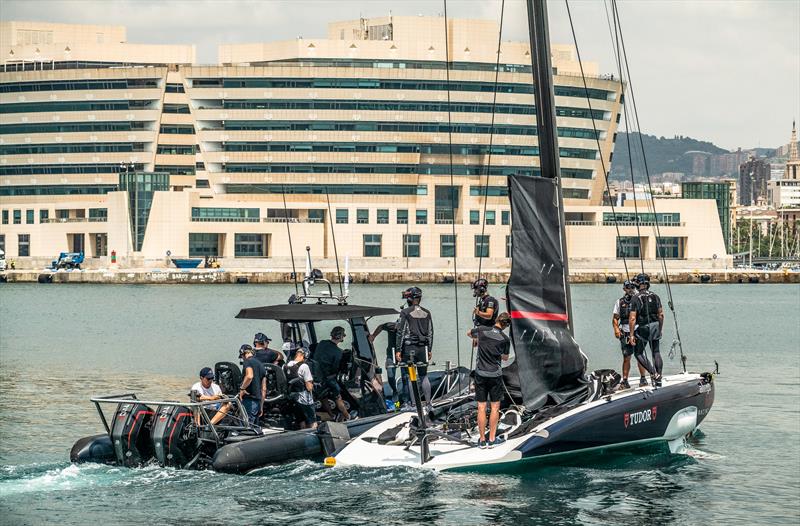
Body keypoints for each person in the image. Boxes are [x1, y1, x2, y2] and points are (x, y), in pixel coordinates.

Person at [467, 312, 511, 449]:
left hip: (480, 373)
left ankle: (481, 440)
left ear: (497, 320)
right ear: (506, 325)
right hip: (495, 375)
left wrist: (478, 340)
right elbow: (505, 358)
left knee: (481, 407)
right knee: (495, 407)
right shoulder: (504, 338)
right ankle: (491, 439)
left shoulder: (482, 331)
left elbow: (469, 333)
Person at [396, 286, 434, 410]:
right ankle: (428, 404)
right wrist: (429, 349)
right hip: (423, 348)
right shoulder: (427, 312)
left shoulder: (405, 312)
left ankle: (413, 405)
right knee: (423, 375)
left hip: (409, 348)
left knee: (410, 375)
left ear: (410, 299)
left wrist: (398, 350)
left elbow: (400, 332)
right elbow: (430, 333)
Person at [628, 273, 664, 387]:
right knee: (656, 352)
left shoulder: (635, 298)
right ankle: (659, 376)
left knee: (638, 353)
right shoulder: (655, 296)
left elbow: (632, 318)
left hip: (644, 327)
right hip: (655, 325)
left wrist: (632, 335)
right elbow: (661, 315)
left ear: (639, 284)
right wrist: (660, 329)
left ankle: (653, 374)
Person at [612, 280, 648, 389]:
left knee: (639, 355)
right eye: (628, 287)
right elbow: (615, 318)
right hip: (625, 332)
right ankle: (625, 380)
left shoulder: (639, 300)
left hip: (638, 331)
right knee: (626, 357)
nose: (630, 289)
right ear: (624, 289)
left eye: (632, 287)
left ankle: (643, 378)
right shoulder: (620, 302)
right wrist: (616, 329)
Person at [313, 326, 351, 421]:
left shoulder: (322, 343)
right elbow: (336, 368)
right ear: (340, 337)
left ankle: (332, 415)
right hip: (328, 378)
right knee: (338, 397)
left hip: (316, 376)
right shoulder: (338, 353)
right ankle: (348, 416)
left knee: (323, 397)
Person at [286, 344, 317, 429]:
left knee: (301, 419)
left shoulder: (287, 365)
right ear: (304, 356)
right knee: (312, 420)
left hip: (293, 396)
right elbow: (309, 386)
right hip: (304, 397)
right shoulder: (304, 366)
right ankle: (314, 434)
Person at [369, 321, 400, 405]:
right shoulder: (392, 326)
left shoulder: (410, 326)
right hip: (391, 353)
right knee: (390, 374)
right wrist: (373, 336)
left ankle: (406, 398)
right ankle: (394, 390)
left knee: (405, 376)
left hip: (404, 354)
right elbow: (381, 326)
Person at [237, 344, 266, 424]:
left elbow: (249, 376)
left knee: (245, 431)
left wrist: (242, 389)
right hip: (257, 403)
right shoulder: (261, 365)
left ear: (243, 354)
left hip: (248, 401)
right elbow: (264, 389)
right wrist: (261, 406)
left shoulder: (248, 361)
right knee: (254, 431)